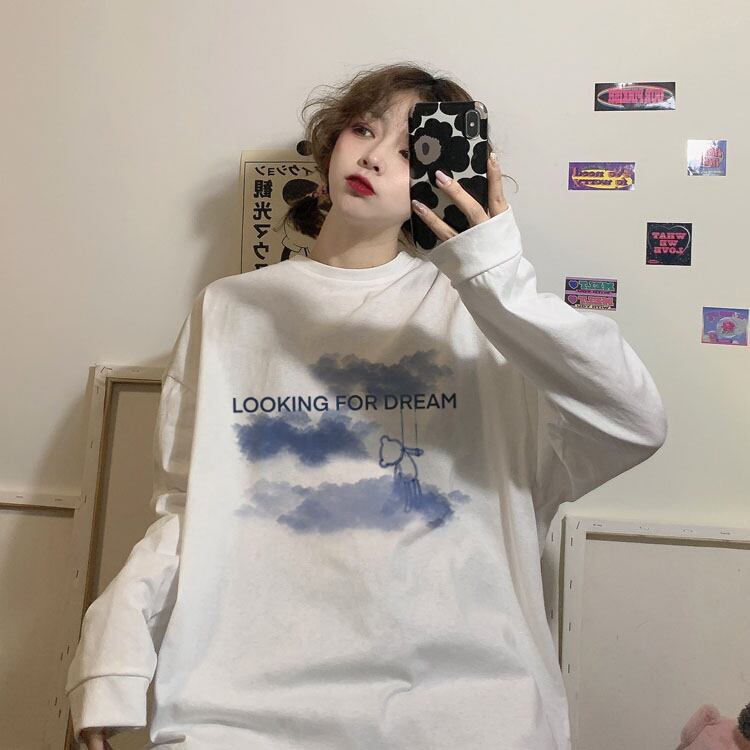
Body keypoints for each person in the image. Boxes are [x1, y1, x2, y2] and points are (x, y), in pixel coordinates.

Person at [67, 62, 667, 750]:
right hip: (243, 710)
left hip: (469, 710)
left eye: (413, 151)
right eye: (363, 129)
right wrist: (111, 660)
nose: (375, 156)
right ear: (328, 152)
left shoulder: (481, 312)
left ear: (449, 177)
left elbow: (635, 421)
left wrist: (495, 274)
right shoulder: (230, 309)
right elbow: (185, 505)